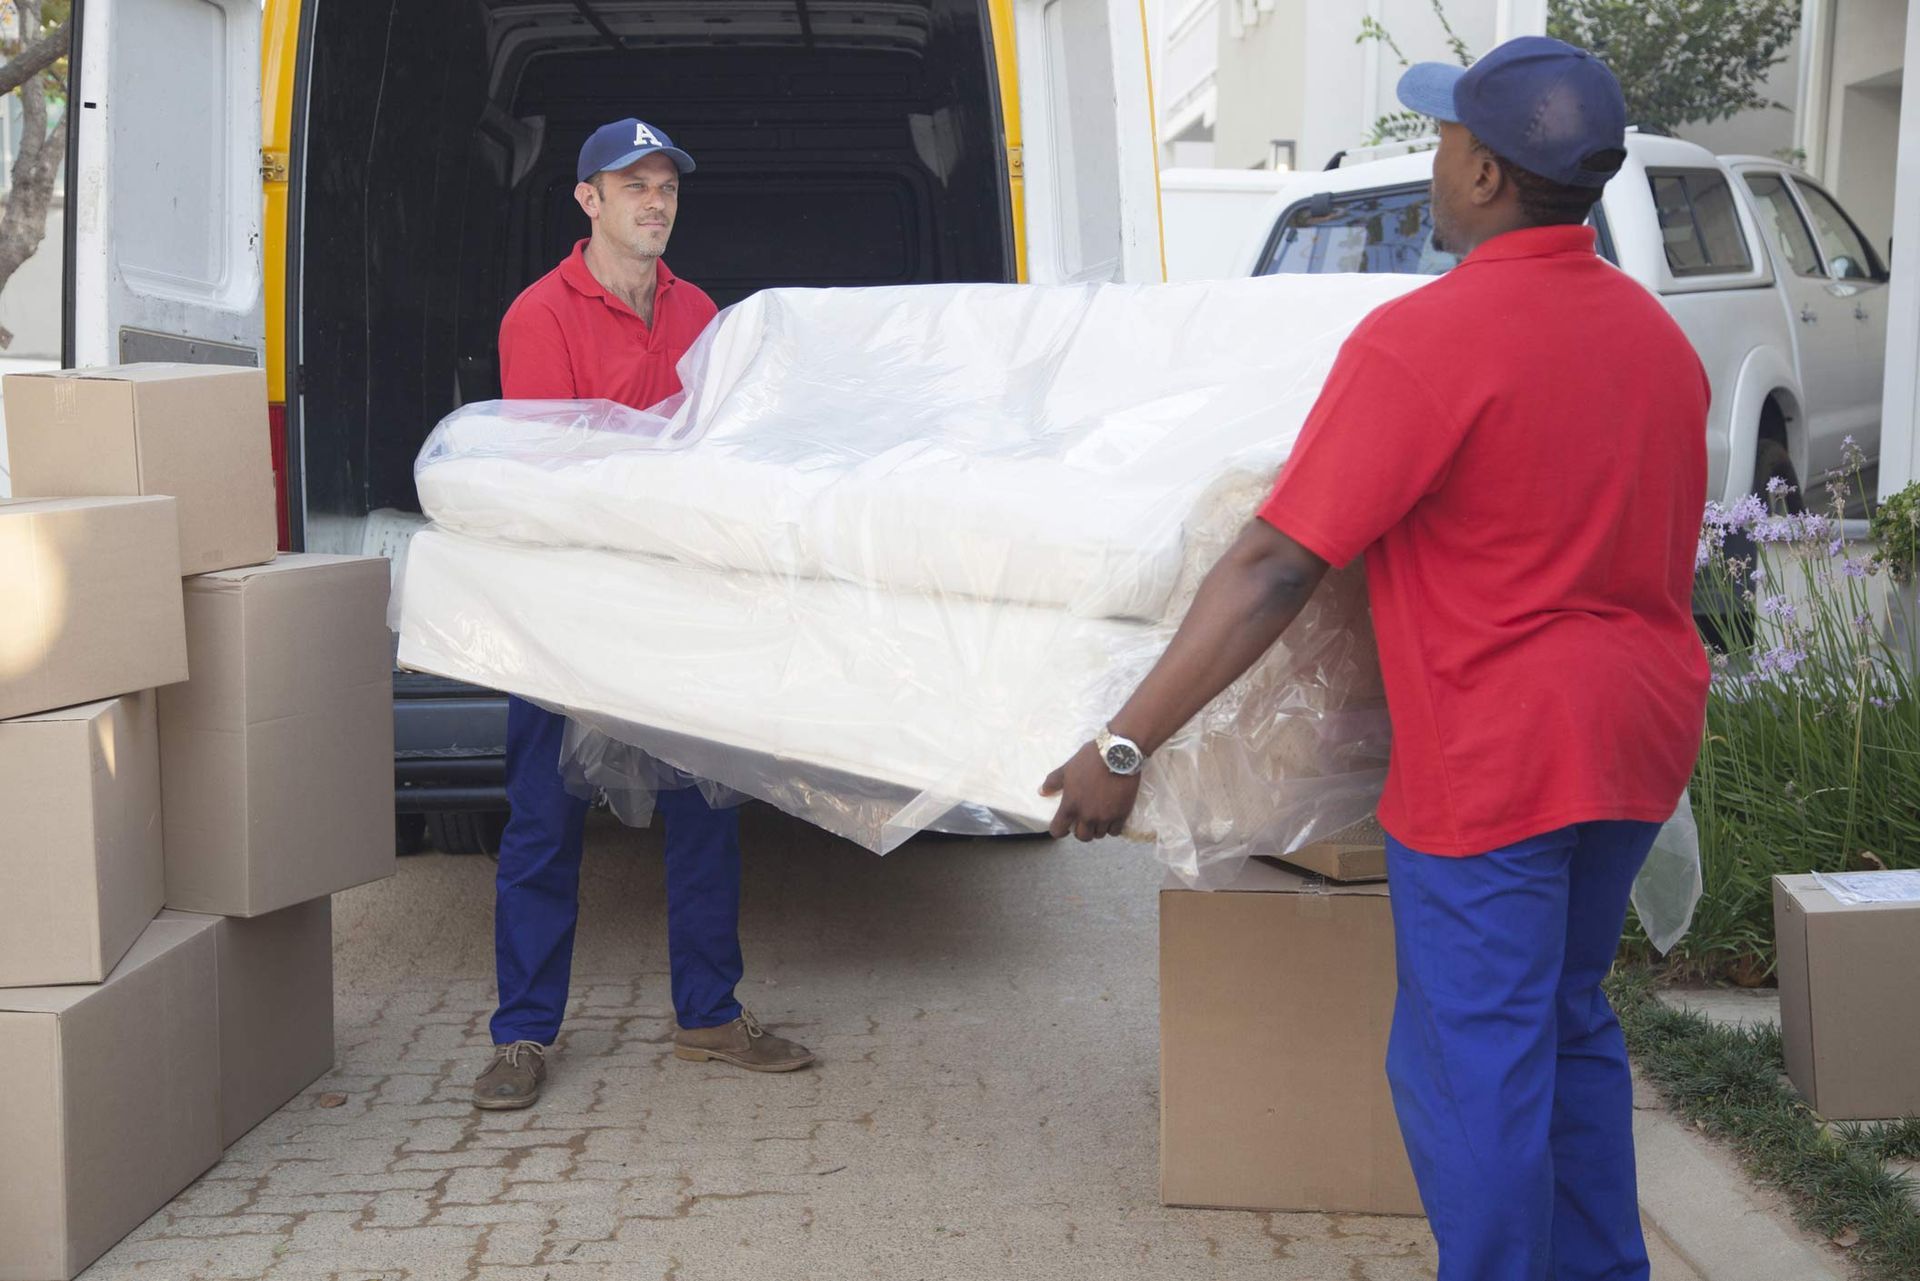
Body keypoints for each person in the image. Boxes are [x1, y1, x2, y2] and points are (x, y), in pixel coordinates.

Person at [1043, 38, 1709, 1281]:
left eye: (1449, 138)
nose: (1436, 158)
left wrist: (1125, 743)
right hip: (1635, 745)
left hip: (1500, 759)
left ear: (1491, 175)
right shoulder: (1654, 337)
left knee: (1475, 1061)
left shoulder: (1429, 341)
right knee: (1567, 1019)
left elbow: (1272, 566)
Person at [473, 118, 815, 1111]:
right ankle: (523, 1034)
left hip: (677, 602)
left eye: (666, 187)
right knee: (544, 823)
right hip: (566, 608)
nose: (656, 203)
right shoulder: (541, 314)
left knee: (706, 813)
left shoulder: (700, 310)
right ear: (589, 199)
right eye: (635, 187)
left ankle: (708, 1014)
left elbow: (721, 448)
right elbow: (557, 472)